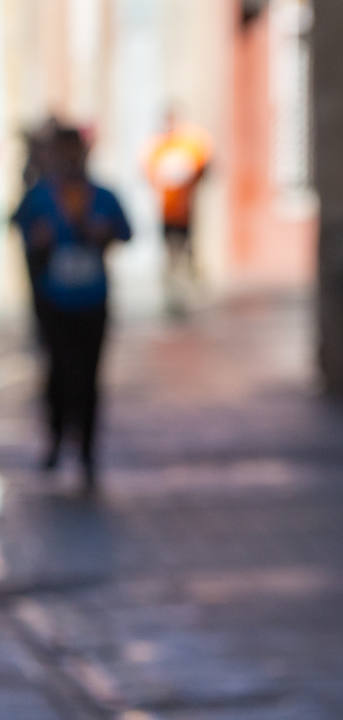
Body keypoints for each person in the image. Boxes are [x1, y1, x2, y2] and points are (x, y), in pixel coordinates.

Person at [10, 125, 132, 492]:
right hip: (55, 300)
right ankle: (57, 437)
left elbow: (126, 231)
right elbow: (19, 225)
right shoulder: (41, 197)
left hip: (92, 299)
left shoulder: (104, 195)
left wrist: (104, 234)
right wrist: (39, 242)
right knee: (58, 370)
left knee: (90, 375)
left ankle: (87, 449)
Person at [141, 107, 213, 315]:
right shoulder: (158, 147)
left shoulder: (190, 145)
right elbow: (148, 172)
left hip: (186, 211)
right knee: (170, 255)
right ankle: (172, 299)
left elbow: (204, 168)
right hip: (167, 211)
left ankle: (185, 297)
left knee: (186, 254)